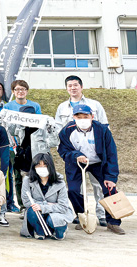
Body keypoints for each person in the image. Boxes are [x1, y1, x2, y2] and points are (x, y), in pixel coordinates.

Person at [57, 104, 124, 235]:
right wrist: (76, 156)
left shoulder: (102, 130)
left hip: (98, 163)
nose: (82, 119)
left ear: (92, 117)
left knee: (110, 189)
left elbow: (111, 154)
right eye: (78, 116)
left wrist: (111, 177)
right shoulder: (67, 130)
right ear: (73, 117)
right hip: (76, 163)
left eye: (85, 116)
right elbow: (63, 151)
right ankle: (82, 216)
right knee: (73, 190)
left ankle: (113, 222)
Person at [54, 75, 108, 224]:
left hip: (95, 154)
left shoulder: (95, 105)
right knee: (76, 188)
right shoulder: (62, 107)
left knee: (98, 185)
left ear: (81, 87)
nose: (73, 88)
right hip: (75, 155)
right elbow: (59, 131)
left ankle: (101, 214)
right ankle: (81, 214)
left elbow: (104, 126)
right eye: (70, 85)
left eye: (76, 85)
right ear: (66, 88)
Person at [2, 106, 60, 213]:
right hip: (23, 157)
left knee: (41, 181)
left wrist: (51, 129)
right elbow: (10, 131)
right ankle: (24, 207)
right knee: (20, 181)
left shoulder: (43, 127)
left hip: (40, 158)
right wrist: (5, 119)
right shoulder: (20, 126)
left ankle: (44, 206)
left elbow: (54, 143)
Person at [20, 153, 74, 240]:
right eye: (38, 165)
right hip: (38, 212)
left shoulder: (60, 181)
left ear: (50, 166)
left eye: (45, 165)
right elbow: (26, 201)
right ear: (34, 167)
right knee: (32, 211)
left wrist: (42, 206)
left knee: (53, 220)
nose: (42, 168)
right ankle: (39, 231)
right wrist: (48, 204)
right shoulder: (27, 179)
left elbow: (63, 206)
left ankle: (60, 231)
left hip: (55, 213)